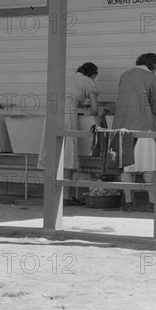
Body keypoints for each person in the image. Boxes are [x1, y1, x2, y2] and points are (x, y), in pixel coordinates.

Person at [37, 62, 99, 205]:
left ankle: (54, 194)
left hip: (51, 112)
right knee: (68, 152)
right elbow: (94, 109)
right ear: (93, 74)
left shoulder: (68, 78)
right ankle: (66, 196)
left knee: (53, 150)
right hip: (67, 114)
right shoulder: (88, 81)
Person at [112, 53, 156, 212]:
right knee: (149, 165)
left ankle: (127, 202)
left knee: (126, 167)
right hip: (142, 125)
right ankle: (153, 203)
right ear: (153, 65)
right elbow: (154, 105)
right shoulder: (152, 79)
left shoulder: (124, 75)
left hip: (121, 126)